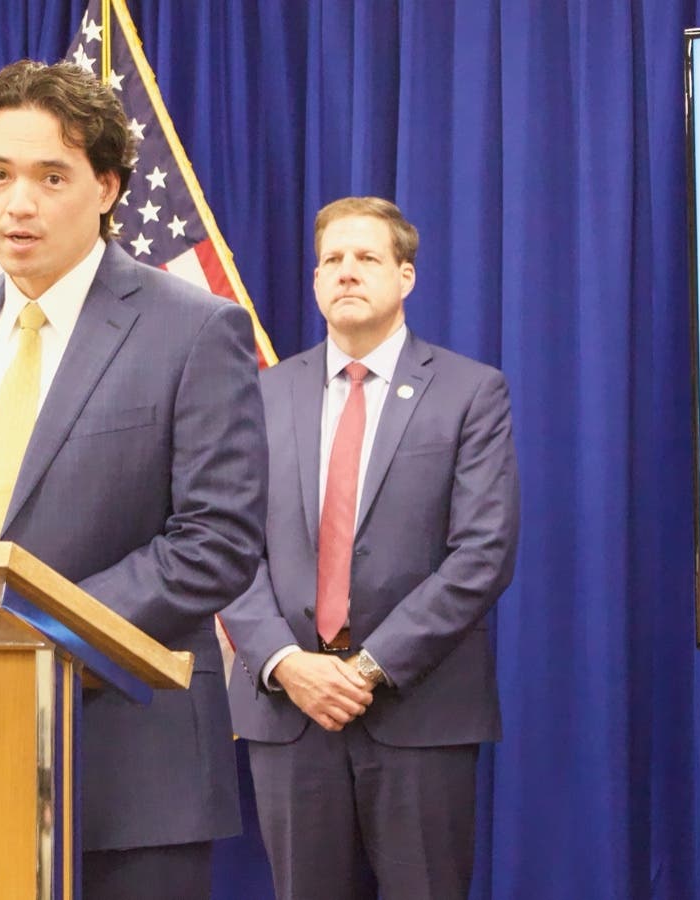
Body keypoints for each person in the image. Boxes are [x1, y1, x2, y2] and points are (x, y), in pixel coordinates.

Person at [0, 59, 266, 899]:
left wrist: (34, 629)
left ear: (107, 188)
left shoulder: (195, 329)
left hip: (130, 770)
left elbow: (216, 540)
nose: (18, 204)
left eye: (50, 177)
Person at [220, 197, 520, 900]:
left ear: (406, 276)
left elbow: (483, 553)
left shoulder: (471, 392)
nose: (346, 272)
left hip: (420, 711)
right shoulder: (260, 395)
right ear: (315, 279)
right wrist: (285, 661)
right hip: (291, 711)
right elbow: (226, 544)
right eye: (332, 259)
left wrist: (370, 667)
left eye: (366, 258)